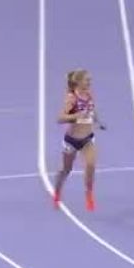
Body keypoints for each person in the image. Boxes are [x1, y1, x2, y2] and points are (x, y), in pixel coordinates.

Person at [53, 69, 104, 211]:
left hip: (87, 139)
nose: (90, 82)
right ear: (78, 82)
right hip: (71, 140)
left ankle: (89, 193)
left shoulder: (89, 94)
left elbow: (92, 110)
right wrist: (76, 116)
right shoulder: (72, 98)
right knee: (66, 169)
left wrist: (98, 122)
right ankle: (57, 192)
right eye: (87, 80)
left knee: (91, 165)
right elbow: (60, 118)